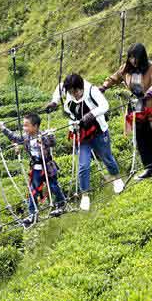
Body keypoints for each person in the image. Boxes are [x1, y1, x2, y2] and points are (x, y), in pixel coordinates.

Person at [45, 73, 123, 211]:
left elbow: (105, 105)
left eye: (76, 91)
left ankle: (117, 178)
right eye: (70, 92)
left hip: (98, 131)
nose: (74, 95)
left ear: (81, 87)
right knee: (83, 165)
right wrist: (54, 101)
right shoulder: (68, 90)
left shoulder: (91, 90)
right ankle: (85, 195)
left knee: (106, 157)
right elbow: (59, 88)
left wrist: (91, 114)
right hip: (81, 134)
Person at [101, 44, 152, 179]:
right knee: (139, 136)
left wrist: (151, 90)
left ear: (141, 57)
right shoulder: (126, 69)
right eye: (130, 57)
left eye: (134, 58)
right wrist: (104, 86)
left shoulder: (151, 67)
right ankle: (148, 167)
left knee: (151, 135)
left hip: (148, 105)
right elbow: (115, 77)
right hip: (135, 107)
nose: (132, 61)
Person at [0, 113, 65, 226]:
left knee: (53, 186)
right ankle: (33, 214)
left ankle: (61, 204)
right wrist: (3, 128)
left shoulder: (43, 135)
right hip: (36, 168)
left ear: (35, 126)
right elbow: (14, 137)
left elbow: (52, 142)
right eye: (23, 126)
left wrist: (49, 135)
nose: (24, 128)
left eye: (27, 125)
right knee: (32, 191)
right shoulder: (26, 137)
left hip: (47, 166)